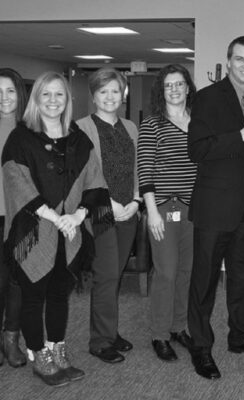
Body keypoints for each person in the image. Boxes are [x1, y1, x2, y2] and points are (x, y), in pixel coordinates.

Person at [2, 71, 114, 386]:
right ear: (36, 99)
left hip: (69, 231)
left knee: (59, 296)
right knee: (33, 296)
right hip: (34, 230)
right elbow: (15, 180)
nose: (53, 101)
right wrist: (52, 215)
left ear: (68, 100)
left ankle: (57, 347)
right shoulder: (21, 137)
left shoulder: (78, 137)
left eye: (59, 95)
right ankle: (39, 354)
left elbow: (95, 179)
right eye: (46, 94)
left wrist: (78, 215)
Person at [187, 35, 244, 380]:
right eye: (239, 59)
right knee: (205, 281)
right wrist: (241, 134)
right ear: (229, 62)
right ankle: (200, 346)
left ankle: (240, 336)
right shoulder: (208, 98)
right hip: (215, 207)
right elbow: (197, 150)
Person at [77, 68, 140, 364]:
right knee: (106, 275)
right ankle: (100, 341)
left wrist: (137, 200)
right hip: (101, 211)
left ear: (123, 94)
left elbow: (138, 168)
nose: (110, 96)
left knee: (115, 275)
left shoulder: (130, 127)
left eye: (115, 90)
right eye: (103, 92)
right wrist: (108, 203)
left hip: (129, 211)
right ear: (93, 96)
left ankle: (110, 332)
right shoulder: (81, 128)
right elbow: (81, 177)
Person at [137, 64, 197, 362]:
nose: (174, 89)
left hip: (192, 209)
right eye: (168, 85)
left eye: (179, 84)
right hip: (163, 208)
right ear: (162, 91)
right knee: (167, 272)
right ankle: (160, 334)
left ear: (188, 87)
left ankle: (178, 326)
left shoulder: (199, 122)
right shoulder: (152, 124)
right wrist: (152, 212)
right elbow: (145, 169)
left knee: (186, 271)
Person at [0, 68, 28, 369]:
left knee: (19, 282)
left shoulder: (29, 129)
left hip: (22, 216)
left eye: (9, 91)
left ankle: (11, 340)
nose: (3, 98)